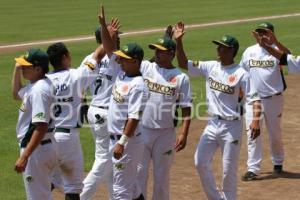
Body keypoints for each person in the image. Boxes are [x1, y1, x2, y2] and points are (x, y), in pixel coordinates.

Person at [175, 21, 261, 200]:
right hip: (212, 123)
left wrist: (255, 121)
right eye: (219, 47)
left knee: (228, 170)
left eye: (222, 48)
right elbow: (183, 63)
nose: (218, 50)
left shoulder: (241, 74)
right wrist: (179, 41)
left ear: (231, 51)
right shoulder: (210, 66)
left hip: (232, 127)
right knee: (199, 162)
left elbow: (254, 98)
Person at [99, 6, 149, 200]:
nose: (120, 61)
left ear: (136, 61)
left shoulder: (138, 85)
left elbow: (134, 117)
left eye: (125, 59)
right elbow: (110, 49)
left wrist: (122, 142)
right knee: (132, 188)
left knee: (121, 191)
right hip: (119, 140)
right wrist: (103, 26)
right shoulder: (121, 73)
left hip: (126, 141)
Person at [46, 41, 105, 200]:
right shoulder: (76, 76)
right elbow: (98, 55)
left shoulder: (43, 81)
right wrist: (109, 36)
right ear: (64, 57)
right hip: (68, 139)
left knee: (48, 181)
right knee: (73, 188)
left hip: (47, 139)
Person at [136, 36, 192, 200]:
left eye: (161, 51)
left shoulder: (181, 78)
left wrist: (184, 133)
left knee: (161, 178)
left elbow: (186, 108)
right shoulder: (146, 67)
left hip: (166, 134)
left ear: (172, 54)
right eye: (156, 51)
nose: (157, 54)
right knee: (139, 174)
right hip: (143, 130)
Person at [239, 22, 291, 181]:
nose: (262, 35)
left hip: (273, 99)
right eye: (260, 32)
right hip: (252, 100)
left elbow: (289, 58)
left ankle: (278, 162)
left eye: (266, 32)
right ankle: (253, 168)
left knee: (275, 133)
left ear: (272, 34)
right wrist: (240, 94)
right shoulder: (249, 52)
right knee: (252, 133)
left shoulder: (276, 52)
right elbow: (243, 73)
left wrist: (274, 43)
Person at [80, 22, 121, 200]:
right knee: (103, 160)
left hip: (94, 111)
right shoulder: (115, 58)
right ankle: (79, 196)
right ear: (106, 39)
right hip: (106, 114)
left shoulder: (89, 59)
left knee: (110, 161)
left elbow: (80, 87)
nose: (119, 39)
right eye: (115, 37)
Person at [12, 48, 57, 200]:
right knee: (41, 194)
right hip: (42, 148)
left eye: (26, 66)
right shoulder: (37, 84)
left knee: (38, 197)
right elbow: (16, 93)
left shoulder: (39, 90)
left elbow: (41, 126)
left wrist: (25, 156)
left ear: (38, 69)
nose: (23, 68)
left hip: (37, 150)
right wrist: (17, 69)